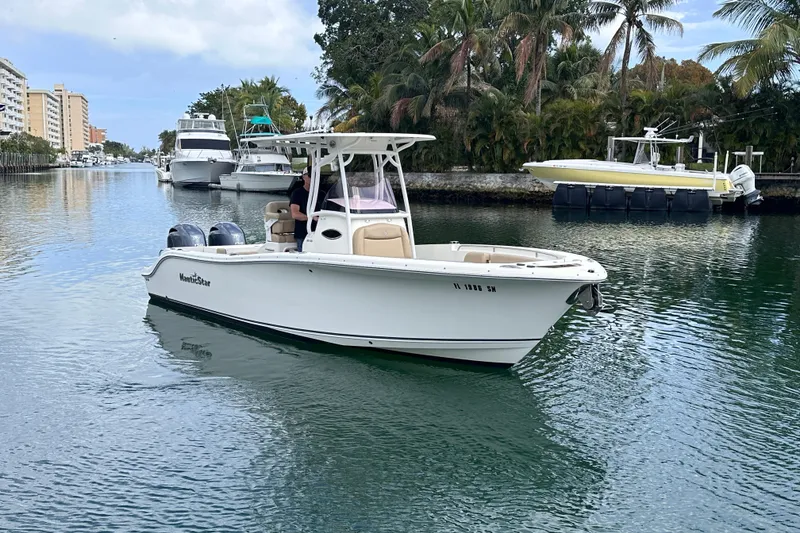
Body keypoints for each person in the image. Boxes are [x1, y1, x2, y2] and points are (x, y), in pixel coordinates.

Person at [290, 167, 312, 251]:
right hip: (303, 234)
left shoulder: (321, 194)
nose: (312, 178)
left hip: (319, 232)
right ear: (303, 177)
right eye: (309, 175)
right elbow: (295, 214)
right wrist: (311, 218)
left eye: (315, 175)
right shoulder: (297, 193)